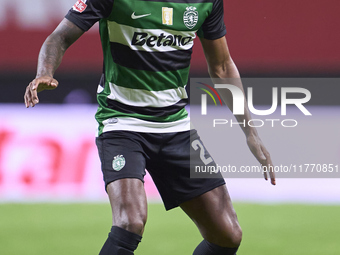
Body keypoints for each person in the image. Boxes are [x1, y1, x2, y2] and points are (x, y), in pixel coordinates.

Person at [24, 0, 276, 254]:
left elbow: (222, 66)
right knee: (130, 222)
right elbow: (59, 37)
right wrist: (44, 71)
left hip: (175, 127)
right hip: (122, 122)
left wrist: (250, 132)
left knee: (227, 234)